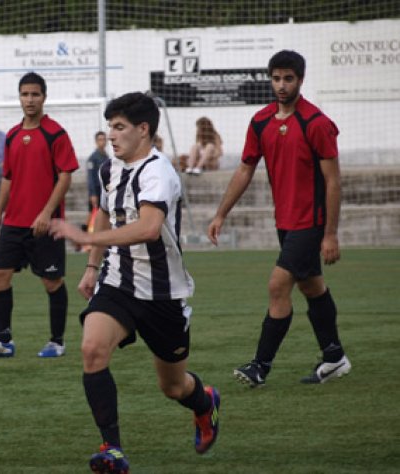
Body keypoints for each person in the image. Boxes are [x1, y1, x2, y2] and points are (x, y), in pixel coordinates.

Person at [48, 92, 220, 473]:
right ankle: (112, 449)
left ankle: (205, 402)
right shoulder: (109, 168)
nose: (111, 134)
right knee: (92, 349)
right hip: (118, 282)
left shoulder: (158, 172)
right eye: (110, 127)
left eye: (119, 127)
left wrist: (86, 238)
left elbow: (148, 228)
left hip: (163, 293)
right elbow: (104, 213)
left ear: (143, 130)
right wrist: (92, 266)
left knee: (173, 387)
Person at [207, 49, 351, 388]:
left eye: (288, 78)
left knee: (278, 285)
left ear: (300, 80)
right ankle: (334, 357)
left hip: (311, 221)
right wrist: (221, 213)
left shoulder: (316, 123)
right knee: (311, 285)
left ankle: (260, 366)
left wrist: (330, 233)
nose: (282, 85)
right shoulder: (260, 122)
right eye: (276, 78)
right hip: (285, 221)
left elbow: (333, 181)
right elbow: (245, 169)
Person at [0, 72, 78, 359]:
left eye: (35, 94)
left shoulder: (56, 133)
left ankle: (57, 342)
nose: (30, 100)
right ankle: (3, 342)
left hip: (45, 223)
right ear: (19, 97)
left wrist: (46, 213)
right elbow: (8, 177)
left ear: (44, 97)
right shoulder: (13, 135)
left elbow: (65, 176)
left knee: (52, 282)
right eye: (25, 94)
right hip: (13, 222)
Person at [86, 131, 109, 212]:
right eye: (100, 140)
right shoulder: (92, 158)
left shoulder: (106, 157)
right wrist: (93, 194)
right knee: (93, 214)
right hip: (96, 191)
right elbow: (90, 177)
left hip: (105, 191)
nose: (102, 142)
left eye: (104, 139)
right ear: (96, 141)